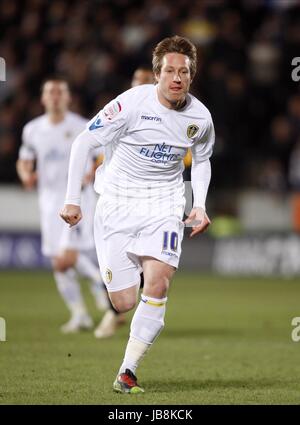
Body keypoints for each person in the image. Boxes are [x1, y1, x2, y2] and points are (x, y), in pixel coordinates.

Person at [61, 35, 214, 393]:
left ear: (192, 75)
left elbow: (203, 159)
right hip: (117, 204)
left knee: (159, 282)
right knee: (124, 301)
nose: (177, 78)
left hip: (164, 206)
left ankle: (127, 371)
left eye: (184, 72)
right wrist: (72, 200)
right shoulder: (130, 104)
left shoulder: (200, 117)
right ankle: (130, 291)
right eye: (170, 71)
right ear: (156, 74)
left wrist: (200, 204)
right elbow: (84, 141)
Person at [17, 78, 110, 334]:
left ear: (68, 98)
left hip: (78, 200)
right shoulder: (32, 130)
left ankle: (102, 285)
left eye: (60, 92)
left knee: (65, 259)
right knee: (58, 261)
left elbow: (102, 154)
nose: (55, 96)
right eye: (51, 92)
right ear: (43, 98)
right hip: (48, 202)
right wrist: (26, 174)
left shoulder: (82, 126)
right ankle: (80, 313)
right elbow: (25, 159)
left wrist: (93, 170)